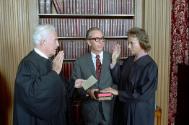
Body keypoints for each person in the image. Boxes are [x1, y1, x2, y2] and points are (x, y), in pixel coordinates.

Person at [13, 24, 83, 125]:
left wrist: (74, 84)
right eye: (55, 40)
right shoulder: (27, 64)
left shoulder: (50, 62)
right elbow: (32, 96)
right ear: (43, 42)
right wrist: (54, 73)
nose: (58, 45)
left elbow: (60, 88)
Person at [101, 27, 158, 125]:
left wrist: (118, 93)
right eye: (128, 43)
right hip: (124, 108)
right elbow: (118, 80)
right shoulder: (129, 61)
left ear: (142, 42)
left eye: (132, 43)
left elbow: (142, 94)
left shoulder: (150, 66)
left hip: (139, 113)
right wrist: (114, 60)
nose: (128, 46)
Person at [71, 27, 114, 125]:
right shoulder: (80, 62)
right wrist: (88, 91)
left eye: (102, 38)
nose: (101, 42)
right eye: (96, 39)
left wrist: (111, 92)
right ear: (89, 42)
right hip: (90, 111)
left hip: (109, 109)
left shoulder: (112, 58)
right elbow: (75, 84)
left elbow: (118, 81)